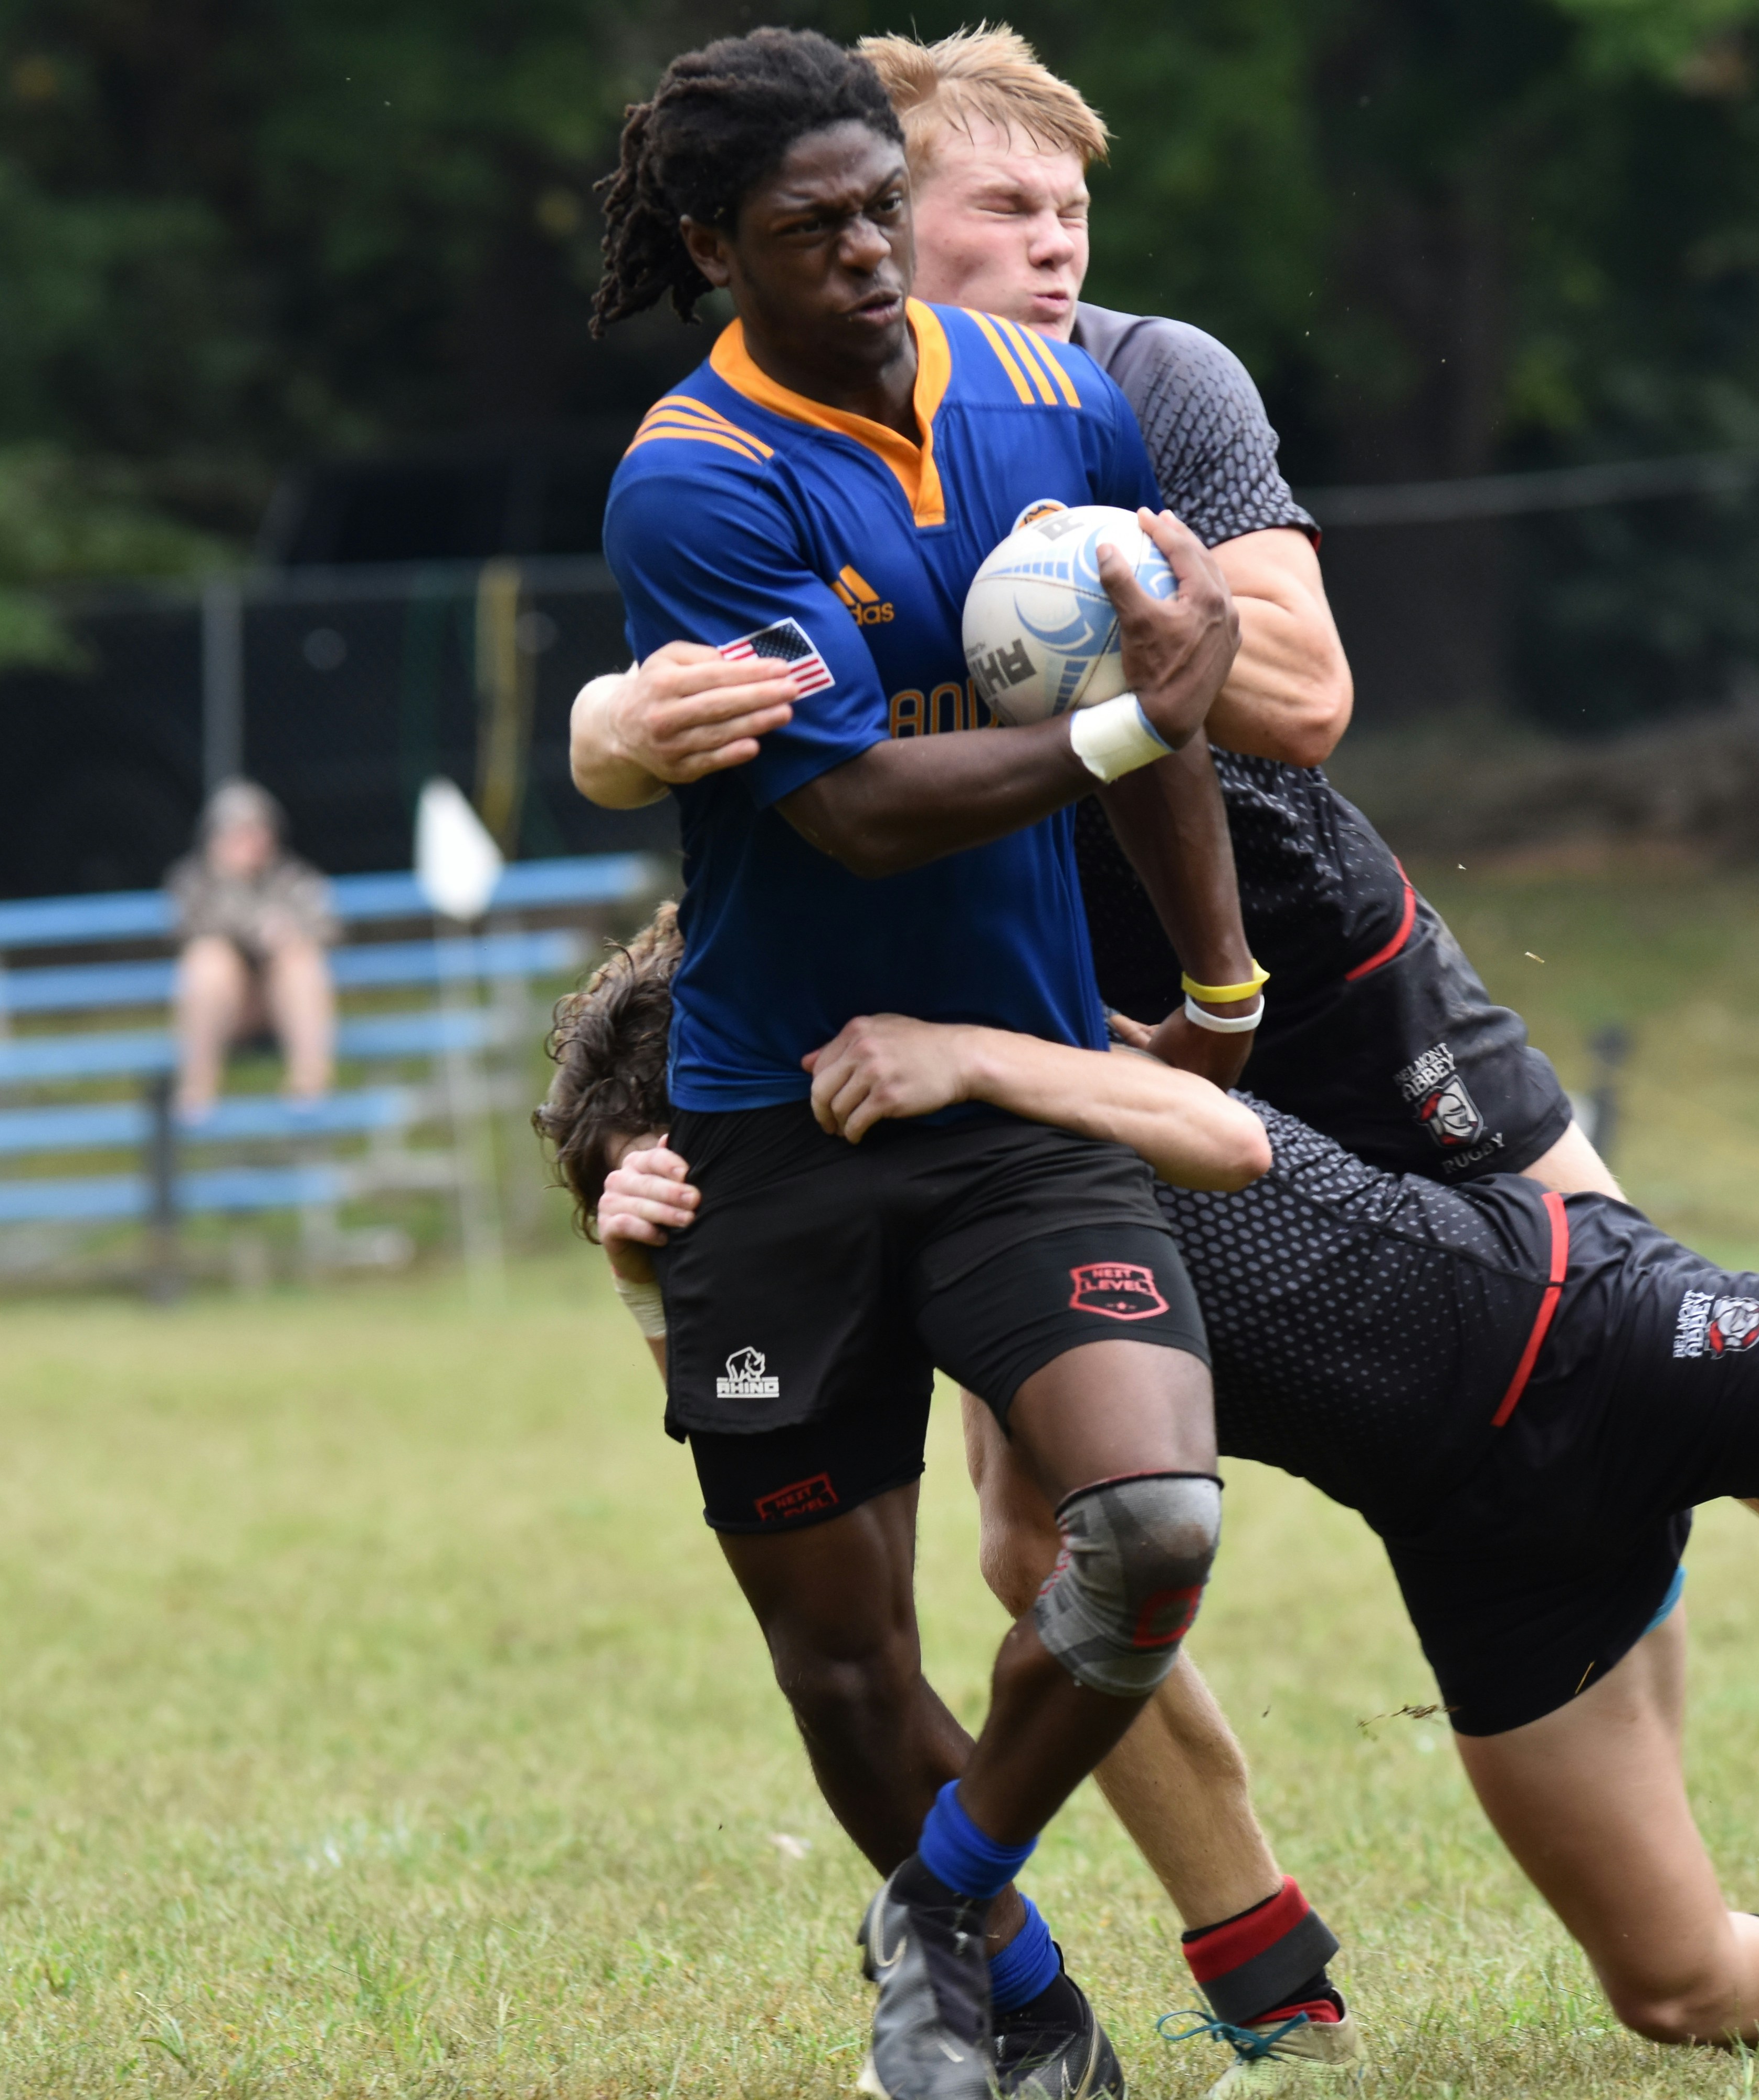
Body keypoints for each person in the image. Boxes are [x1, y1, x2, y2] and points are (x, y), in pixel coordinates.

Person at [563, 27, 1759, 2082]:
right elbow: (764, 770)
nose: (1046, 245)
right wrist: (615, 728)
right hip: (1031, 1018)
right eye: (1000, 206)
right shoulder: (750, 448)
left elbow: (1306, 692)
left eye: (1066, 210)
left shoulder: (1142, 387)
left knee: (1642, 1332)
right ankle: (1270, 1982)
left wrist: (1130, 642)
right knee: (1040, 1541)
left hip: (1311, 966)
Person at [543, 914, 1759, 2064]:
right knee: (1675, 1989)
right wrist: (653, 1276)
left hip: (1599, 1337)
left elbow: (1212, 1124)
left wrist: (978, 1052)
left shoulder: (990, 1063)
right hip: (1489, 1560)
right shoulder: (919, 1260)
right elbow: (804, 1462)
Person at [587, 31, 1273, 2098]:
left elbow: (1164, 692)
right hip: (774, 1124)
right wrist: (1129, 726)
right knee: (843, 1659)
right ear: (715, 248)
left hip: (1011, 1098)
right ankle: (1028, 2003)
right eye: (813, 229)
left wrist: (1217, 980)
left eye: (884, 205)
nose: (872, 253)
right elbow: (853, 812)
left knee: (1152, 1527)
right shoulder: (695, 480)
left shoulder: (1060, 400)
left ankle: (941, 1912)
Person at [164, 779, 336, 1122]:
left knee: (299, 960)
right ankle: (197, 1090)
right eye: (238, 832)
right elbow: (189, 928)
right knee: (208, 961)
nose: (250, 840)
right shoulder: (194, 881)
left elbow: (328, 926)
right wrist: (258, 926)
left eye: (258, 829)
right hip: (227, 1009)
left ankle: (310, 1086)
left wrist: (286, 935)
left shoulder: (293, 877)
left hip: (281, 1004)